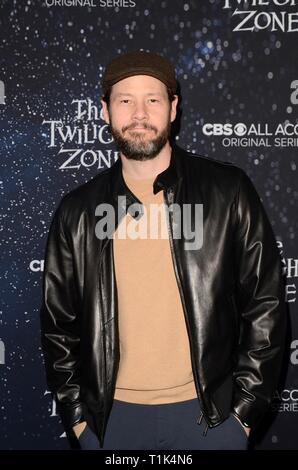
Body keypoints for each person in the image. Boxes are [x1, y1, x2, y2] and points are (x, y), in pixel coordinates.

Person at [40, 50, 286, 450]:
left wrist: (242, 415)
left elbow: (265, 304)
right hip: (111, 422)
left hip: (210, 419)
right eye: (125, 100)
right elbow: (58, 324)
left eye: (152, 99)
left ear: (173, 108)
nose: (139, 113)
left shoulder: (227, 190)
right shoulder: (78, 210)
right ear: (105, 111)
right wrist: (80, 422)